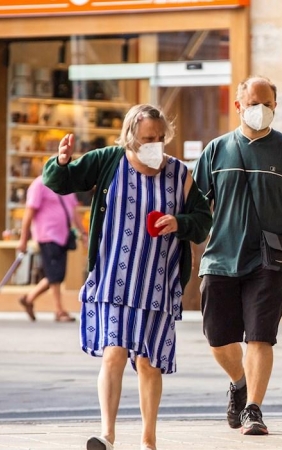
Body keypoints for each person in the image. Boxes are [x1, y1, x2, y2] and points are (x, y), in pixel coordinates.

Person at [42, 104, 212, 450]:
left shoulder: (179, 174)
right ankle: (107, 433)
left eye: (160, 138)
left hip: (157, 283)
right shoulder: (108, 161)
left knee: (149, 363)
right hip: (113, 280)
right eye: (148, 138)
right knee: (114, 353)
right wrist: (59, 162)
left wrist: (180, 223)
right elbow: (61, 182)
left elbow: (203, 220)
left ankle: (148, 439)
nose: (155, 144)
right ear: (130, 138)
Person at [193, 76, 282, 435]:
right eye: (252, 103)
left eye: (266, 103)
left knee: (260, 337)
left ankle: (253, 409)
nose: (259, 110)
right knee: (218, 338)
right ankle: (239, 382)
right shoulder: (216, 151)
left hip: (267, 263)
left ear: (275, 107)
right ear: (238, 106)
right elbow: (194, 206)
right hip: (220, 259)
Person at [17, 175, 87, 322]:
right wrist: (23, 240)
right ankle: (59, 310)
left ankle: (29, 299)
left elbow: (73, 212)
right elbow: (29, 213)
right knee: (55, 274)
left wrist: (84, 233)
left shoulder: (67, 183)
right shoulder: (39, 184)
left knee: (57, 275)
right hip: (47, 235)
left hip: (63, 236)